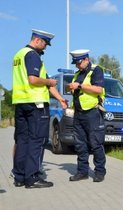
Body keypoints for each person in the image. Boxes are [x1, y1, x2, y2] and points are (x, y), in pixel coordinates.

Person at [12, 29, 68, 188]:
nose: (45, 48)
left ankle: (19, 177)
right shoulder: (33, 55)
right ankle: (32, 178)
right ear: (37, 40)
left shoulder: (19, 54)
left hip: (21, 103)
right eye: (44, 44)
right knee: (38, 141)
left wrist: (61, 99)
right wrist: (49, 83)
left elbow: (43, 80)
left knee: (22, 140)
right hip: (36, 104)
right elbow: (34, 79)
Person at [67, 49, 106, 182]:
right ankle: (82, 172)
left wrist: (79, 86)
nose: (77, 66)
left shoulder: (96, 70)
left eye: (78, 63)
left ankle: (100, 172)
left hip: (92, 113)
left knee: (96, 144)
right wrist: (71, 87)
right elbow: (76, 89)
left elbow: (98, 89)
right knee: (80, 144)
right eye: (75, 64)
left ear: (86, 59)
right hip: (79, 113)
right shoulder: (77, 73)